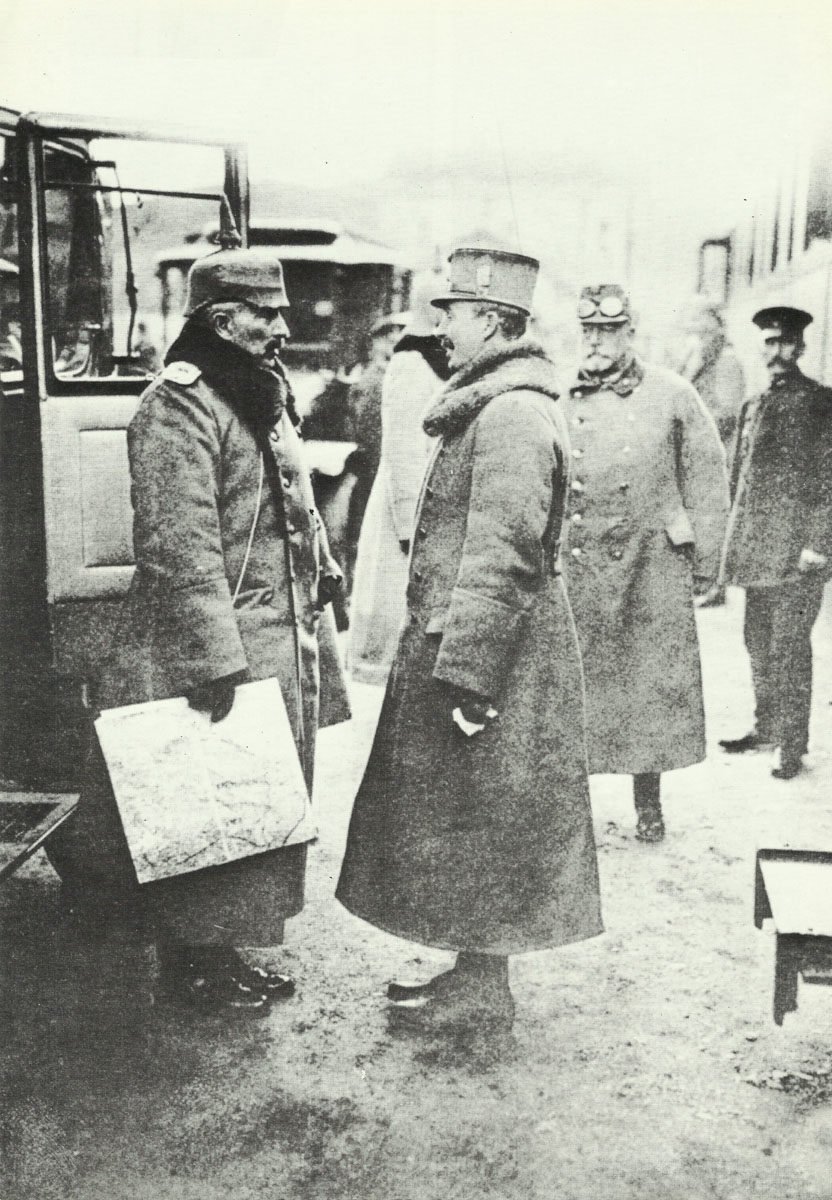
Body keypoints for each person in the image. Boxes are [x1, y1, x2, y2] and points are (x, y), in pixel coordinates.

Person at [47, 248, 350, 1014]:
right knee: (201, 808)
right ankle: (192, 967)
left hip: (275, 630)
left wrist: (326, 566)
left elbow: (294, 498)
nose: (281, 326)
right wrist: (214, 661)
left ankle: (222, 952)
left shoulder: (255, 391)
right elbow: (179, 546)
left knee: (256, 807)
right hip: (216, 643)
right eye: (266, 313)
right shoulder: (179, 403)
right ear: (223, 319)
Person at [337, 247, 603, 1034]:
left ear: (491, 320)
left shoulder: (512, 413)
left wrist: (470, 681)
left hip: (496, 660)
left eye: (449, 313)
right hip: (479, 651)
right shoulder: (495, 402)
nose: (439, 329)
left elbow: (502, 555)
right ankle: (474, 977)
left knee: (487, 822)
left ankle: (484, 994)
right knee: (470, 820)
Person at [562, 284, 728, 842]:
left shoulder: (673, 393)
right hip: (579, 563)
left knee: (647, 687)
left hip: (651, 564)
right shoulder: (561, 394)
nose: (597, 342)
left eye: (608, 331)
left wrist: (705, 561)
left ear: (630, 333)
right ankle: (569, 807)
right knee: (575, 686)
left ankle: (649, 804)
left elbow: (707, 478)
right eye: (588, 332)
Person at [719, 306, 832, 780]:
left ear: (801, 347)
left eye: (785, 342)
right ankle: (766, 727)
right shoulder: (753, 404)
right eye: (768, 342)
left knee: (789, 645)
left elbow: (829, 479)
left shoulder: (821, 402)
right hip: (759, 552)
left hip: (797, 555)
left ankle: (792, 743)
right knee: (758, 641)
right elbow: (740, 483)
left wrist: (819, 543)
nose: (776, 351)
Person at [348, 276, 450, 684]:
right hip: (404, 515)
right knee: (395, 615)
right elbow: (404, 451)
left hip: (430, 507)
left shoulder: (440, 363)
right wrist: (412, 529)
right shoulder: (412, 362)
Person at [672, 296, 746, 606]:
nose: (698, 329)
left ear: (716, 324)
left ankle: (716, 586)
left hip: (715, 451)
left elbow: (728, 411)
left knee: (715, 519)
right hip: (696, 451)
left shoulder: (725, 359)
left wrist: (691, 424)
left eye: (704, 322)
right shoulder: (699, 354)